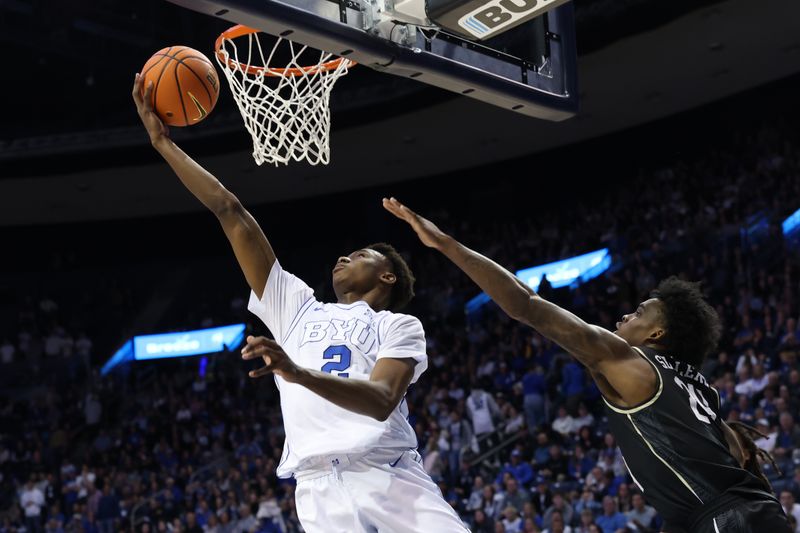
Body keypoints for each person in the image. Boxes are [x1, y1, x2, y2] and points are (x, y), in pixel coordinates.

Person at [132, 76, 467, 533]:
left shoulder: (398, 324)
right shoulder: (297, 308)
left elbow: (383, 400)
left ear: (387, 275)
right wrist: (162, 144)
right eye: (343, 254)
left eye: (360, 254)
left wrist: (297, 373)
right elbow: (231, 212)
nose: (343, 257)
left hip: (388, 477)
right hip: (317, 491)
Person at [384, 197, 792, 533]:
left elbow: (527, 305)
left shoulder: (630, 362)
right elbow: (740, 458)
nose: (623, 319)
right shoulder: (701, 389)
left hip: (728, 521)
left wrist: (446, 244)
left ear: (656, 335)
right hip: (752, 514)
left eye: (638, 313)